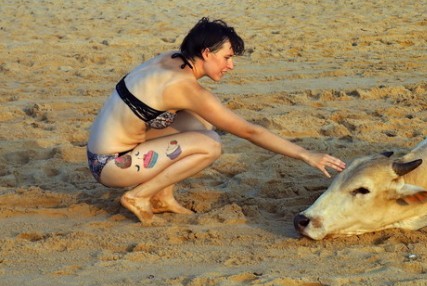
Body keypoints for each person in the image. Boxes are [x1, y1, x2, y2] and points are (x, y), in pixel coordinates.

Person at [87, 17, 346, 224]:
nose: (231, 66)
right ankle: (138, 196)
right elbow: (249, 131)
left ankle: (162, 196)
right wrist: (305, 154)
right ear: (206, 53)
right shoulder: (185, 88)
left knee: (200, 124)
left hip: (104, 150)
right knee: (210, 144)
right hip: (112, 166)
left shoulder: (170, 59)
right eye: (227, 57)